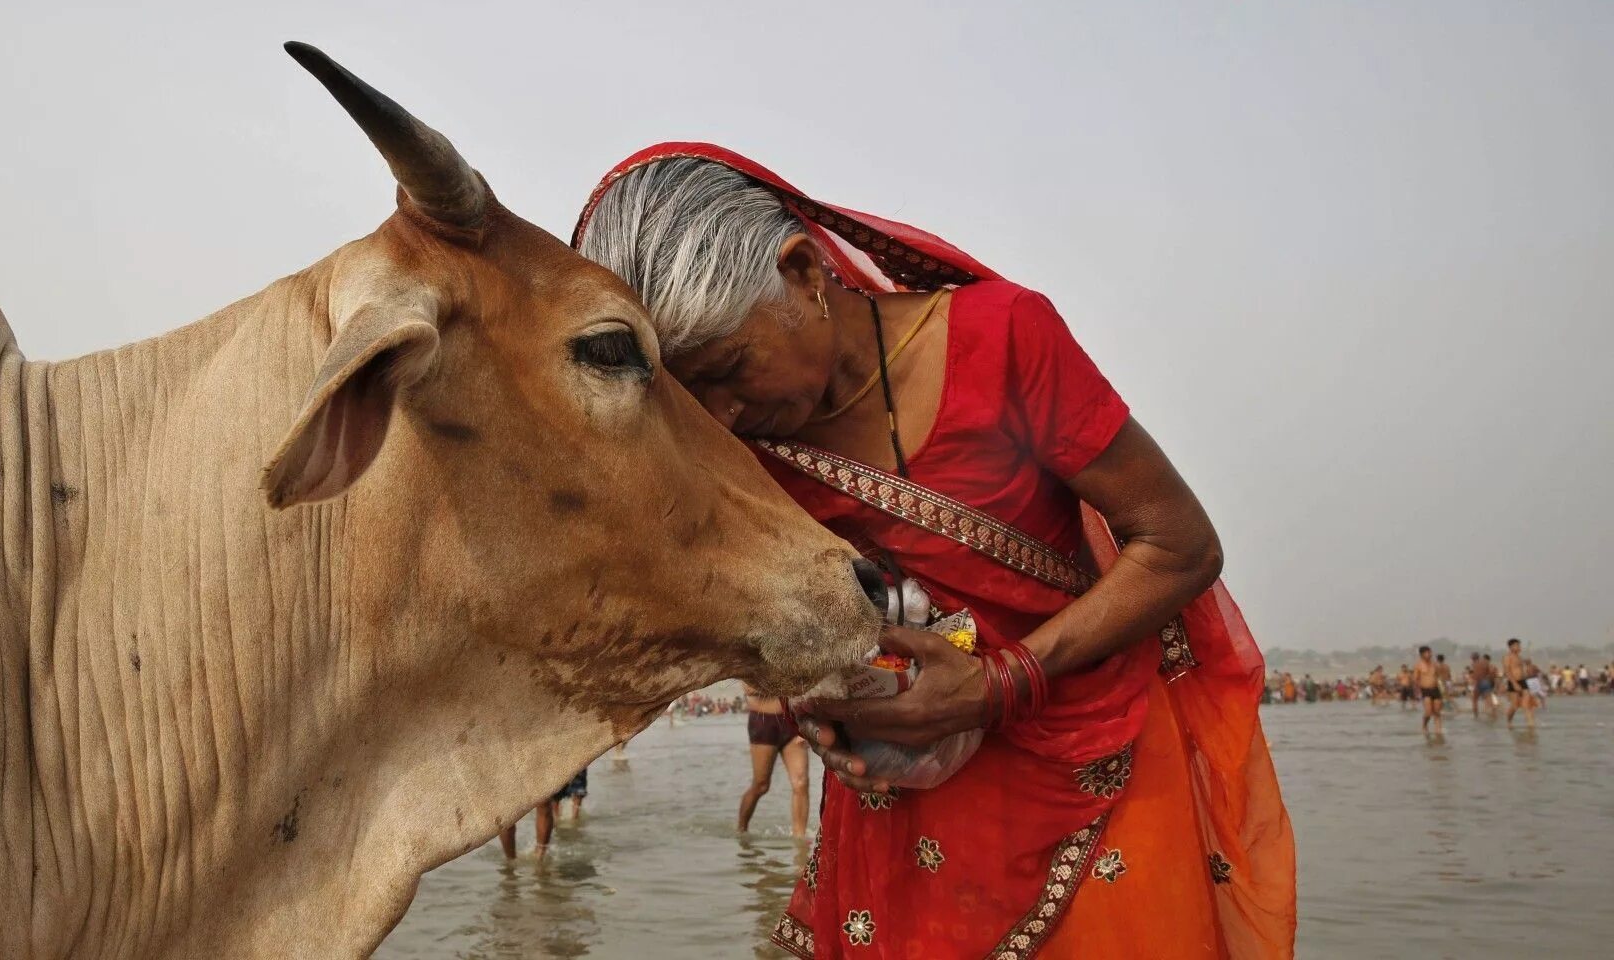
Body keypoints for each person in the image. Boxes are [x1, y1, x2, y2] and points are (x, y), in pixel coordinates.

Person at [574, 145, 1295, 957]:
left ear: (805, 273)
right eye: (692, 401)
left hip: (1095, 760)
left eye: (731, 370)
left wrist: (995, 686)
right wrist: (831, 718)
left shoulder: (1004, 339)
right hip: (907, 799)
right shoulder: (746, 454)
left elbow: (1180, 545)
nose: (724, 417)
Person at [740, 683, 813, 839]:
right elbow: (749, 689)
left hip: (793, 722)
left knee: (801, 783)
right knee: (761, 785)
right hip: (763, 722)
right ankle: (741, 829)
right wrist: (784, 681)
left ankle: (799, 841)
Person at [1414, 646, 1445, 737]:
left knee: (1437, 712)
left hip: (1435, 689)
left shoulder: (1435, 664)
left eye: (1430, 652)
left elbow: (1439, 677)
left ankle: (1438, 732)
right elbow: (1415, 679)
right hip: (1425, 690)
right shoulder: (1418, 665)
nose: (1430, 654)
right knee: (1428, 712)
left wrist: (1443, 689)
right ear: (1422, 654)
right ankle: (1424, 725)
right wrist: (1417, 692)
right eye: (1428, 653)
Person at [1504, 639, 1536, 728]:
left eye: (1519, 645)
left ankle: (1531, 724)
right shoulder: (1508, 657)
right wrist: (1514, 683)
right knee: (1514, 706)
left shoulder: (1519, 657)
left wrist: (1528, 664)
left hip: (1523, 681)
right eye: (1517, 645)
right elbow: (1507, 671)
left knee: (1527, 704)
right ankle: (1509, 721)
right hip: (1513, 681)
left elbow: (1526, 670)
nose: (1519, 647)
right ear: (1511, 647)